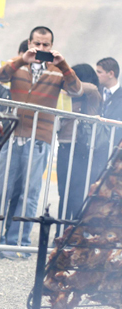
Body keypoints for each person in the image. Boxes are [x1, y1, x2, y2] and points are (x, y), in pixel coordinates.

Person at [0, 26, 82, 259]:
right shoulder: (17, 64)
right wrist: (21, 59)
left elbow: (76, 90)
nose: (40, 48)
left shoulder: (58, 70)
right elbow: (0, 76)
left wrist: (64, 64)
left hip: (40, 138)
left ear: (51, 46)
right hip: (12, 135)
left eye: (45, 45)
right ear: (29, 43)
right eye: (37, 43)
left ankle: (18, 243)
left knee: (29, 193)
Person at [56, 64, 101, 227]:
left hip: (81, 151)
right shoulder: (67, 98)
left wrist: (71, 85)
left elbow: (93, 88)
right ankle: (60, 233)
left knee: (76, 195)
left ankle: (73, 234)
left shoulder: (91, 96)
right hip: (64, 148)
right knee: (63, 193)